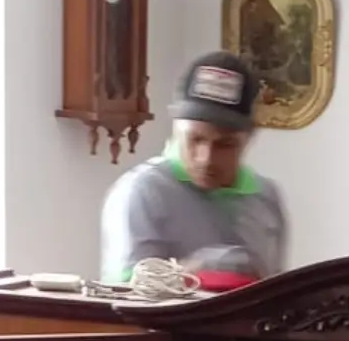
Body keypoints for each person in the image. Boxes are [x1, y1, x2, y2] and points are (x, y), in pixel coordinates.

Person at [100, 50, 287, 284]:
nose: (205, 159)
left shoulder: (266, 198)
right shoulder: (141, 192)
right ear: (176, 129)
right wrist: (208, 267)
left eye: (225, 145)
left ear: (249, 138)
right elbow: (126, 294)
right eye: (195, 139)